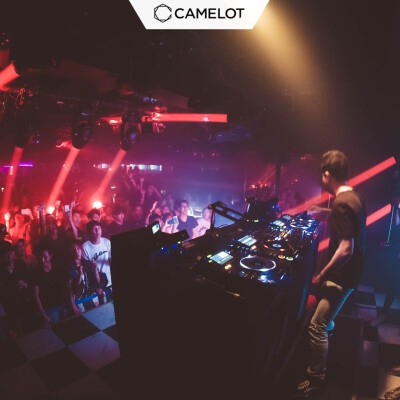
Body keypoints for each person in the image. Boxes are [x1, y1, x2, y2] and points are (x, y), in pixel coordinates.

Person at [295, 150, 366, 397]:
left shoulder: (341, 203)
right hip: (353, 273)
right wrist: (321, 210)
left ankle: (315, 379)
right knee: (325, 319)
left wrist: (322, 274)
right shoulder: (354, 196)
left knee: (317, 325)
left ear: (327, 174)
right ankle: (326, 345)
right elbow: (346, 217)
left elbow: (346, 249)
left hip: (342, 276)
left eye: (321, 175)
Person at [82, 220, 112, 304]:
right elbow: (87, 271)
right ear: (89, 232)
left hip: (110, 280)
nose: (97, 231)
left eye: (99, 228)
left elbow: (110, 260)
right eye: (94, 229)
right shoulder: (85, 247)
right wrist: (96, 286)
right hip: (98, 285)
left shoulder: (106, 242)